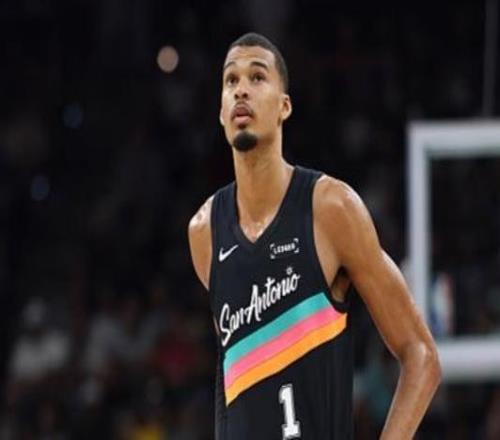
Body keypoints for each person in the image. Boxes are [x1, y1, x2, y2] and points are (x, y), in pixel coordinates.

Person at [188, 32, 441, 440]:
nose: (241, 90)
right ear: (220, 112)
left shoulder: (330, 209)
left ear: (284, 106)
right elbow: (232, 378)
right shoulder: (204, 232)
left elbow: (422, 355)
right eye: (231, 80)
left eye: (257, 77)